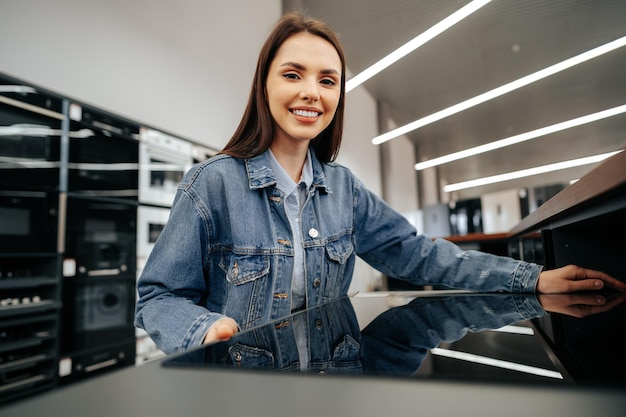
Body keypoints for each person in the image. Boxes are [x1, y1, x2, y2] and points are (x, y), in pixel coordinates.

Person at [134, 12, 626, 355]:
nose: (311, 92)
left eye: (328, 81)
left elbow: (421, 255)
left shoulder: (344, 191)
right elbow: (157, 297)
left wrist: (534, 279)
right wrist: (205, 329)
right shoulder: (212, 183)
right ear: (265, 84)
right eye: (293, 74)